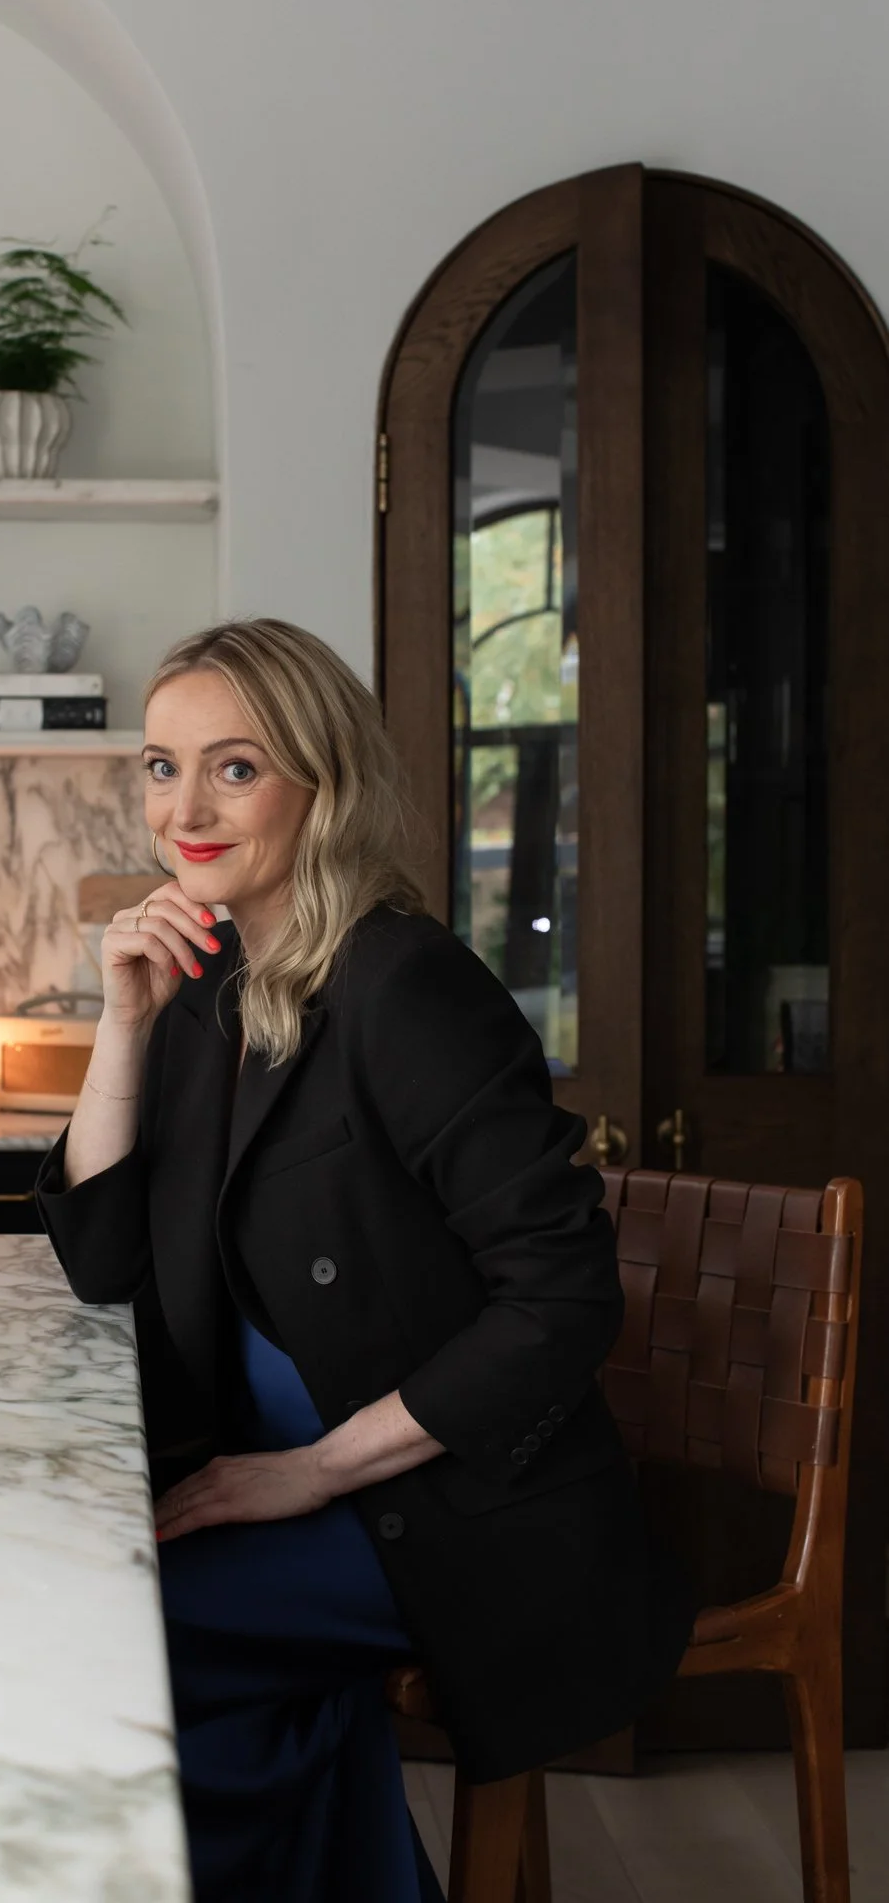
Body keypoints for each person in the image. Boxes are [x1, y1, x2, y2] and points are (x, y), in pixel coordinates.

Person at [35, 618, 694, 1903]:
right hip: (276, 1475)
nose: (185, 809)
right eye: (163, 766)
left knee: (114, 1639)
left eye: (234, 767)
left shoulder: (405, 982)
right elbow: (103, 1264)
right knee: (117, 1618)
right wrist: (122, 1022)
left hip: (454, 1517)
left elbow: (563, 1297)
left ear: (321, 782)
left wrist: (310, 1470)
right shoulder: (211, 981)